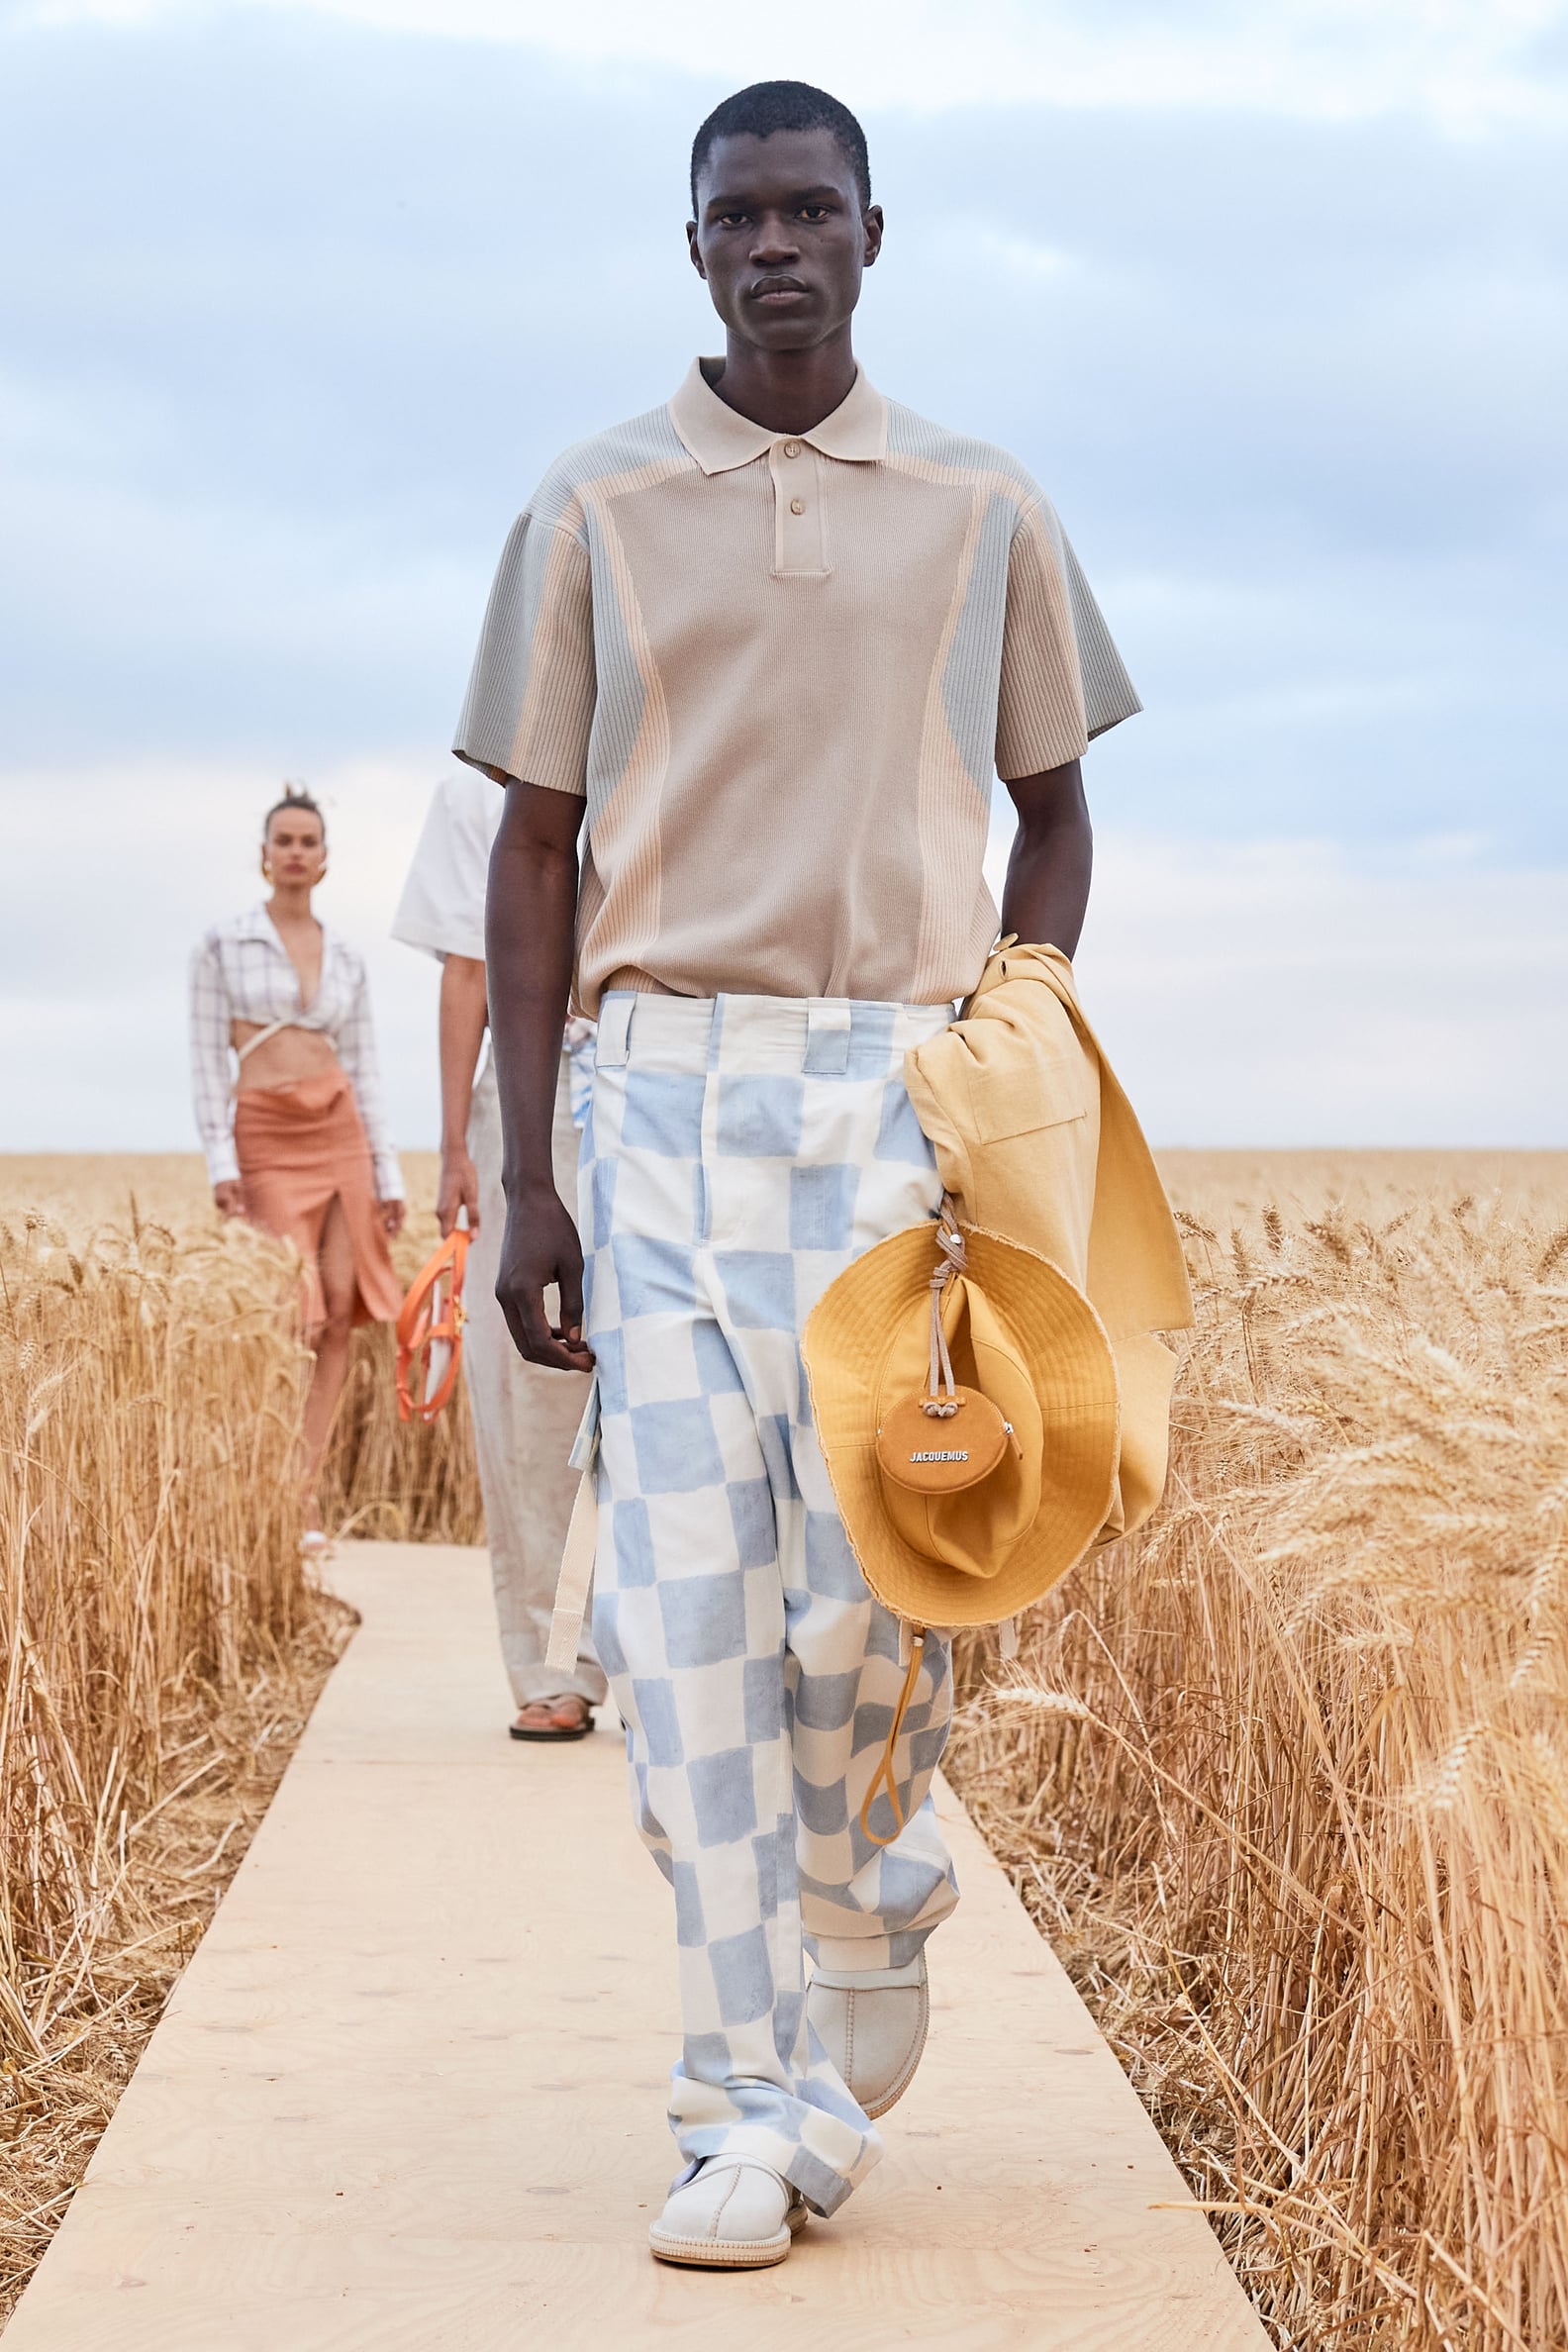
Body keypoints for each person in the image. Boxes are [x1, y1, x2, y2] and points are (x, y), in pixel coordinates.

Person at [453, 80, 1140, 2267]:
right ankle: (744, 2108)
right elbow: (532, 848)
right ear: (691, 245)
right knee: (681, 1627)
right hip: (650, 1102)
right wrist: (532, 1173)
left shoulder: (981, 505)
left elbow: (1057, 805)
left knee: (872, 1601)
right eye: (736, 212)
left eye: (810, 210)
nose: (775, 243)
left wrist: (1007, 1030)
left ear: (870, 233)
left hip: (886, 1104)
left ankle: (867, 1888)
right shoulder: (588, 506)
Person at [391, 768, 606, 1738]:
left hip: (691, 1068)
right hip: (539, 1090)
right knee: (539, 1385)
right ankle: (555, 1662)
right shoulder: (477, 794)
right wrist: (453, 1149)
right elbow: (467, 970)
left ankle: (709, 1655)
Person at [190, 787, 405, 1546]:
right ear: (263, 853)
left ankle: (300, 1496)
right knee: (293, 1312)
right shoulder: (222, 944)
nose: (295, 851)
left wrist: (389, 1176)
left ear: (324, 858)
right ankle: (264, 1486)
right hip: (268, 1135)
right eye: (283, 839)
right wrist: (222, 1159)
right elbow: (206, 1062)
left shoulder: (347, 956)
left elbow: (368, 1068)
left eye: (308, 840)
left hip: (341, 1130)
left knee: (341, 1311)